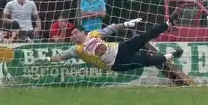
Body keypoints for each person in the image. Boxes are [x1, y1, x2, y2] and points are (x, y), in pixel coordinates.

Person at [48, 18, 185, 76]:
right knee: (145, 60)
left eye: (75, 32)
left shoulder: (94, 34)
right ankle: (172, 55)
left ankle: (168, 24)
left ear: (83, 32)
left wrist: (126, 24)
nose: (73, 36)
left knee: (143, 37)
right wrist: (49, 59)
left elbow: (111, 28)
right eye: (72, 35)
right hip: (116, 63)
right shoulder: (76, 50)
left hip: (121, 48)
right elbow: (61, 56)